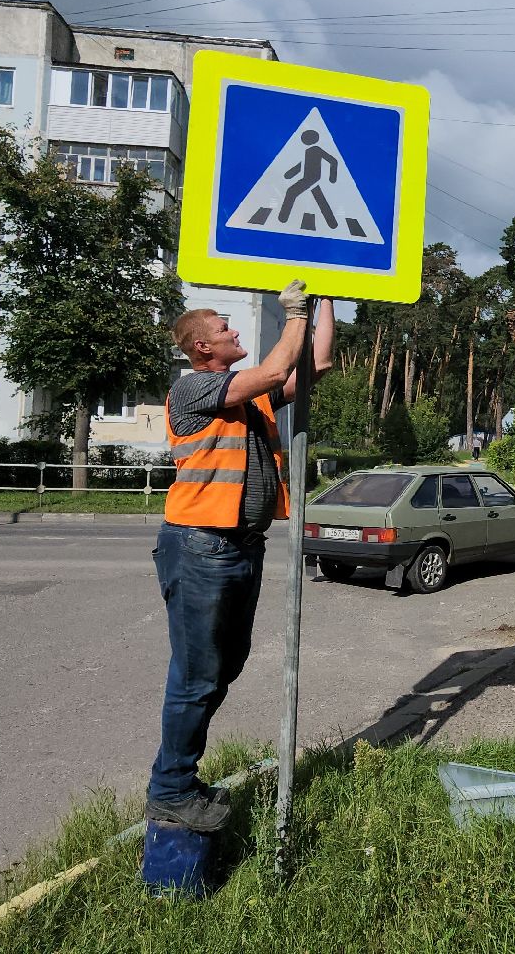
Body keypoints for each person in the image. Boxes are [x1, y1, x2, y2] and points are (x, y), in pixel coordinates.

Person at [145, 280, 333, 831]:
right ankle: (171, 789)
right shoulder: (191, 390)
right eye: (224, 328)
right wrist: (292, 313)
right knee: (195, 675)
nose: (233, 331)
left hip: (243, 546)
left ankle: (178, 777)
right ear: (204, 348)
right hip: (200, 545)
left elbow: (314, 364)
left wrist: (329, 301)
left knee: (224, 667)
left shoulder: (245, 395)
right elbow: (277, 370)